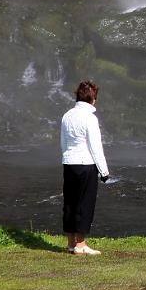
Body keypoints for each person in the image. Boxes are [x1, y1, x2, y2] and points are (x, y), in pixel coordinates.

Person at [60, 80, 110, 255]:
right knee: (84, 203)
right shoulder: (90, 118)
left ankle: (71, 243)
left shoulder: (67, 115)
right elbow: (96, 147)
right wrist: (104, 171)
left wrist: (66, 158)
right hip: (86, 164)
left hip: (69, 163)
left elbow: (63, 142)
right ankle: (81, 245)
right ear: (93, 99)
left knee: (70, 203)